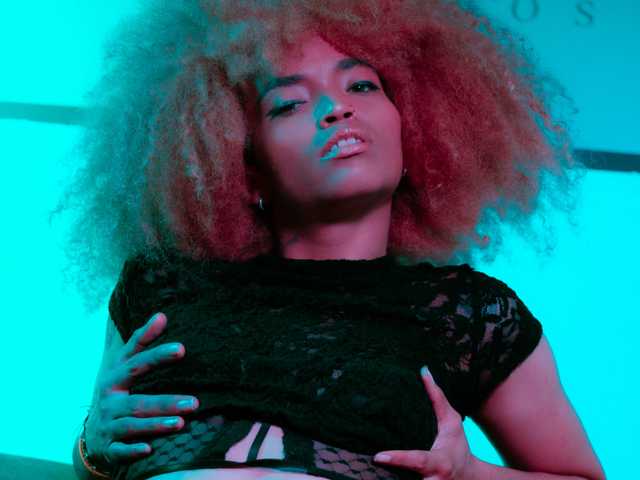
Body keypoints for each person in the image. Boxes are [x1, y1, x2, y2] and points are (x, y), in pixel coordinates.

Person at [55, 1, 606, 480]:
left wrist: (470, 474)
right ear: (244, 170)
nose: (336, 109)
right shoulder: (162, 285)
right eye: (288, 103)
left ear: (416, 133)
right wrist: (92, 447)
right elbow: (99, 460)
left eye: (361, 85)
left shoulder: (468, 313)